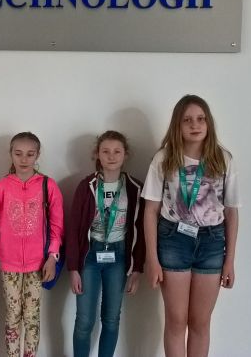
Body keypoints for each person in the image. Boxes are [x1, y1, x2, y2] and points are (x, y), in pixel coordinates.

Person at [142, 95, 240, 357]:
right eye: (187, 120)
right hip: (173, 240)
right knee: (176, 321)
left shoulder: (223, 159)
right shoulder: (164, 158)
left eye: (200, 119)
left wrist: (229, 260)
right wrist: (152, 259)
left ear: (209, 123)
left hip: (212, 243)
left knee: (200, 322)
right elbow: (150, 211)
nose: (194, 125)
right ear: (178, 124)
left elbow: (231, 212)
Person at [0, 132, 64, 357]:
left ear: (37, 155)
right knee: (13, 315)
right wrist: (6, 228)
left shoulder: (48, 186)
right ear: (11, 154)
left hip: (39, 263)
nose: (24, 159)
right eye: (18, 153)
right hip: (10, 264)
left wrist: (52, 256)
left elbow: (57, 226)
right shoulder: (2, 186)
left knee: (32, 317)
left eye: (30, 154)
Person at [66, 131, 146, 357]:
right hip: (89, 257)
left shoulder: (135, 188)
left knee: (111, 319)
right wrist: (73, 268)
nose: (111, 156)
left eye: (117, 151)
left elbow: (141, 231)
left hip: (118, 257)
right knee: (84, 320)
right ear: (97, 154)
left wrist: (137, 269)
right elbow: (73, 229)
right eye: (106, 151)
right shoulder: (87, 186)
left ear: (125, 155)